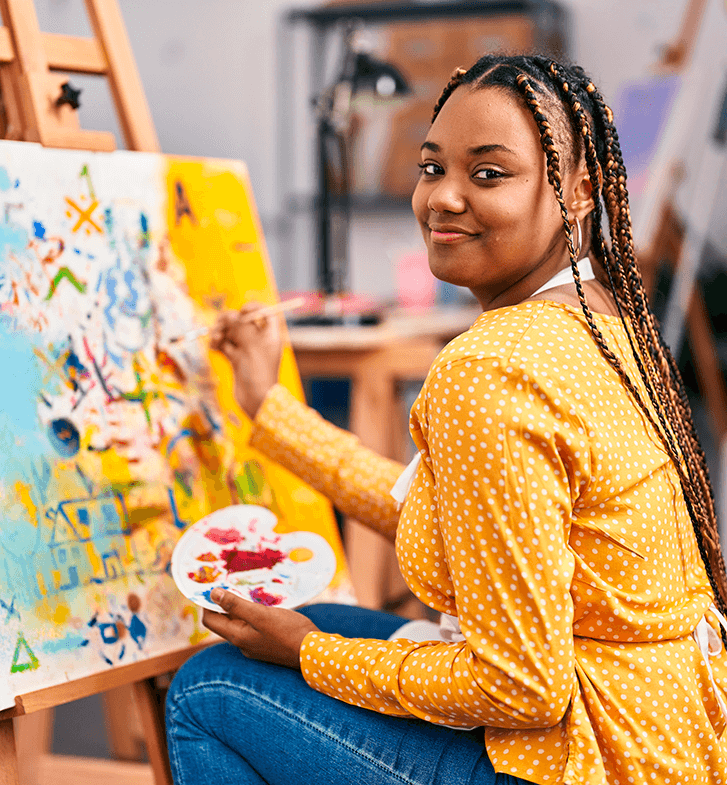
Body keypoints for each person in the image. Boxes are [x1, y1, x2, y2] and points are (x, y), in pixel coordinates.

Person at [165, 54, 727, 785]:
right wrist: (266, 408)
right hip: (664, 739)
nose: (443, 198)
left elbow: (519, 685)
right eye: (432, 168)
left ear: (580, 188)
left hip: (585, 755)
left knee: (210, 689)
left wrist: (309, 650)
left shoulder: (490, 366)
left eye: (488, 174)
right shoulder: (608, 329)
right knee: (316, 638)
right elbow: (445, 513)